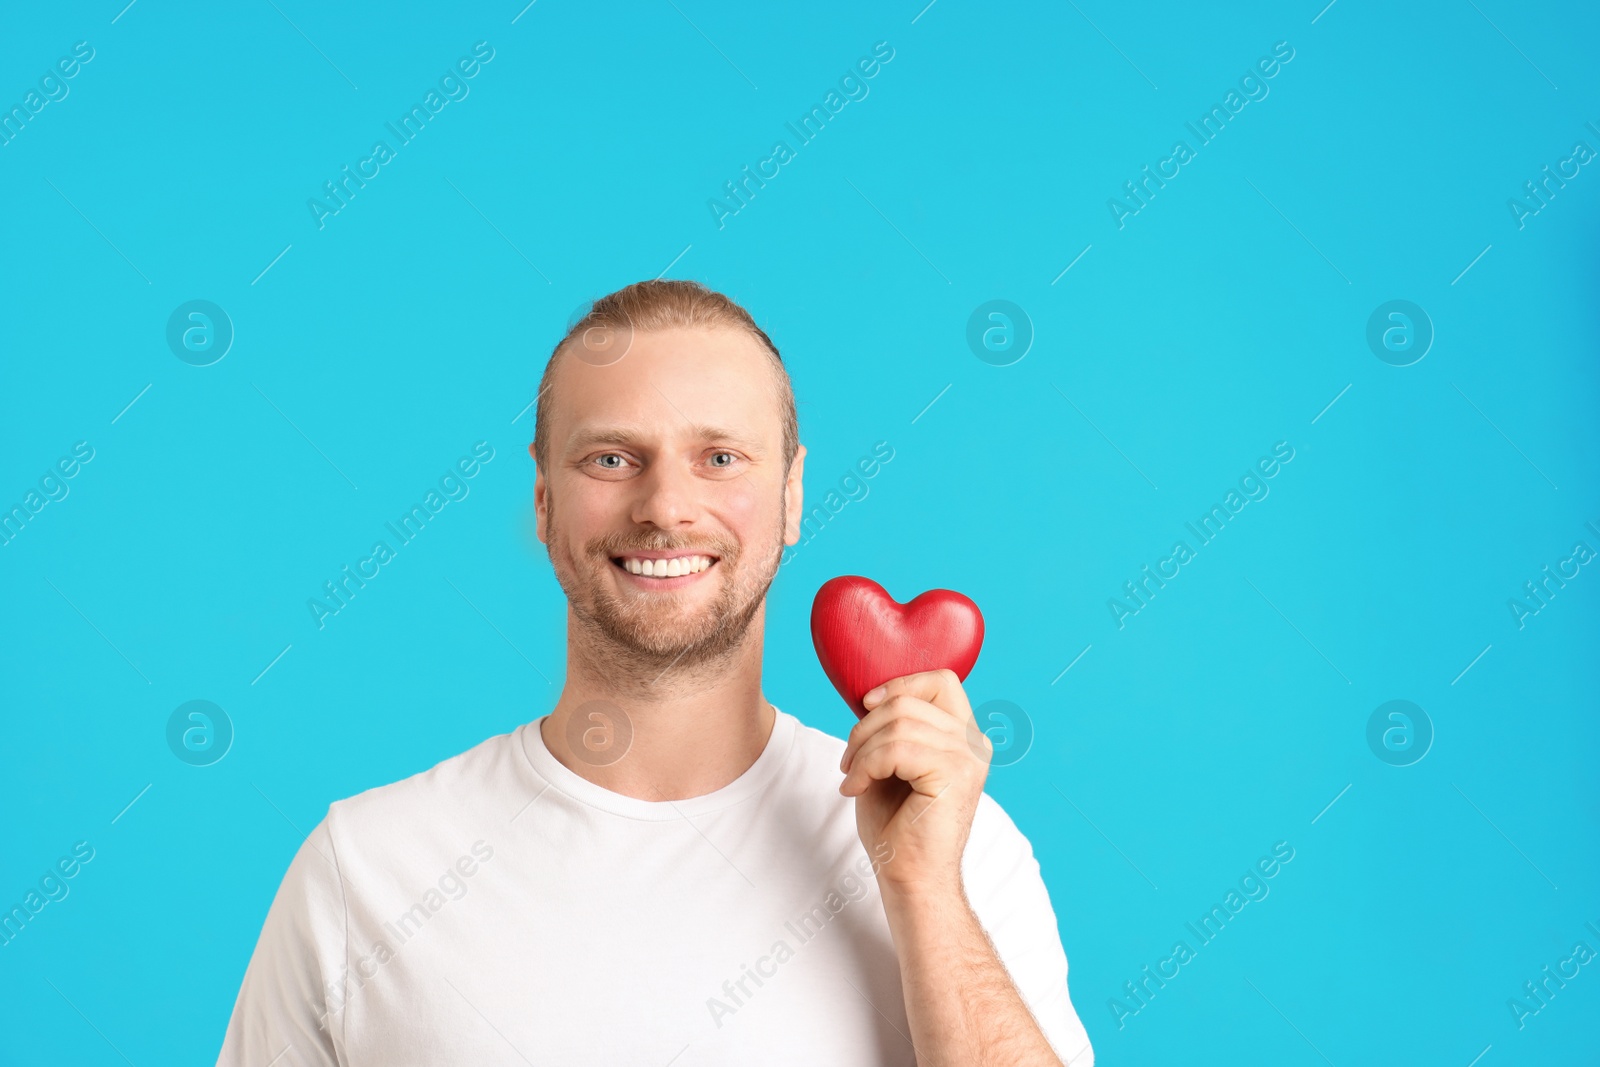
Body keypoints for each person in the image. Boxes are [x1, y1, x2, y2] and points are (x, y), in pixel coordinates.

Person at [216, 280, 1094, 1065]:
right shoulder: (363, 870)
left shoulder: (963, 857)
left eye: (720, 457)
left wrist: (923, 892)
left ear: (792, 495)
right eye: (611, 458)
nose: (667, 506)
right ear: (542, 498)